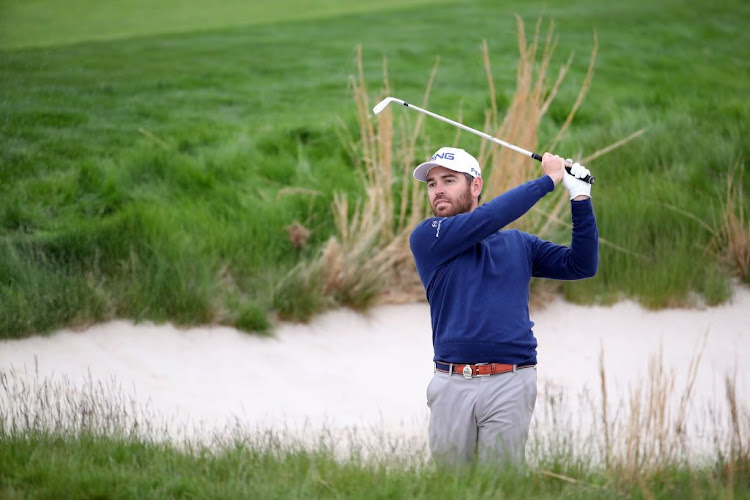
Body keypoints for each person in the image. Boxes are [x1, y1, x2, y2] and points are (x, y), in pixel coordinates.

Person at [409, 146, 599, 467]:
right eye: (431, 183)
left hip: (511, 383)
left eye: (449, 180)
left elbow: (581, 265)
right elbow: (490, 217)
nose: (438, 189)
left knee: (502, 485)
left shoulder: (519, 245)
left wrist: (579, 198)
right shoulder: (430, 237)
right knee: (450, 489)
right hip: (452, 382)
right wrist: (549, 180)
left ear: (476, 186)